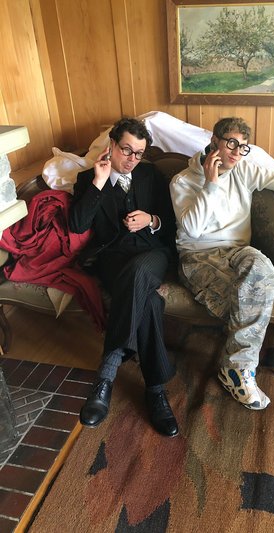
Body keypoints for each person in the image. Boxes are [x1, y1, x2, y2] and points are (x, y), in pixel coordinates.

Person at [170, 117, 274, 410]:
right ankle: (238, 371)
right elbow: (193, 229)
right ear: (214, 141)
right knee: (253, 297)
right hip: (198, 256)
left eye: (242, 147)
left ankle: (235, 367)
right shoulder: (182, 181)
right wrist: (211, 184)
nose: (236, 152)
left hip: (238, 252)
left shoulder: (245, 170)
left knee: (264, 270)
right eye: (231, 143)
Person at [69, 117, 179, 437]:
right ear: (112, 146)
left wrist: (151, 220)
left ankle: (106, 375)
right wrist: (99, 182)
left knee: (140, 272)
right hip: (112, 259)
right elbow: (77, 225)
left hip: (152, 254)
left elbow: (171, 224)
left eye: (138, 153)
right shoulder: (89, 179)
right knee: (149, 302)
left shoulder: (151, 176)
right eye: (126, 150)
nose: (132, 159)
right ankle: (155, 391)